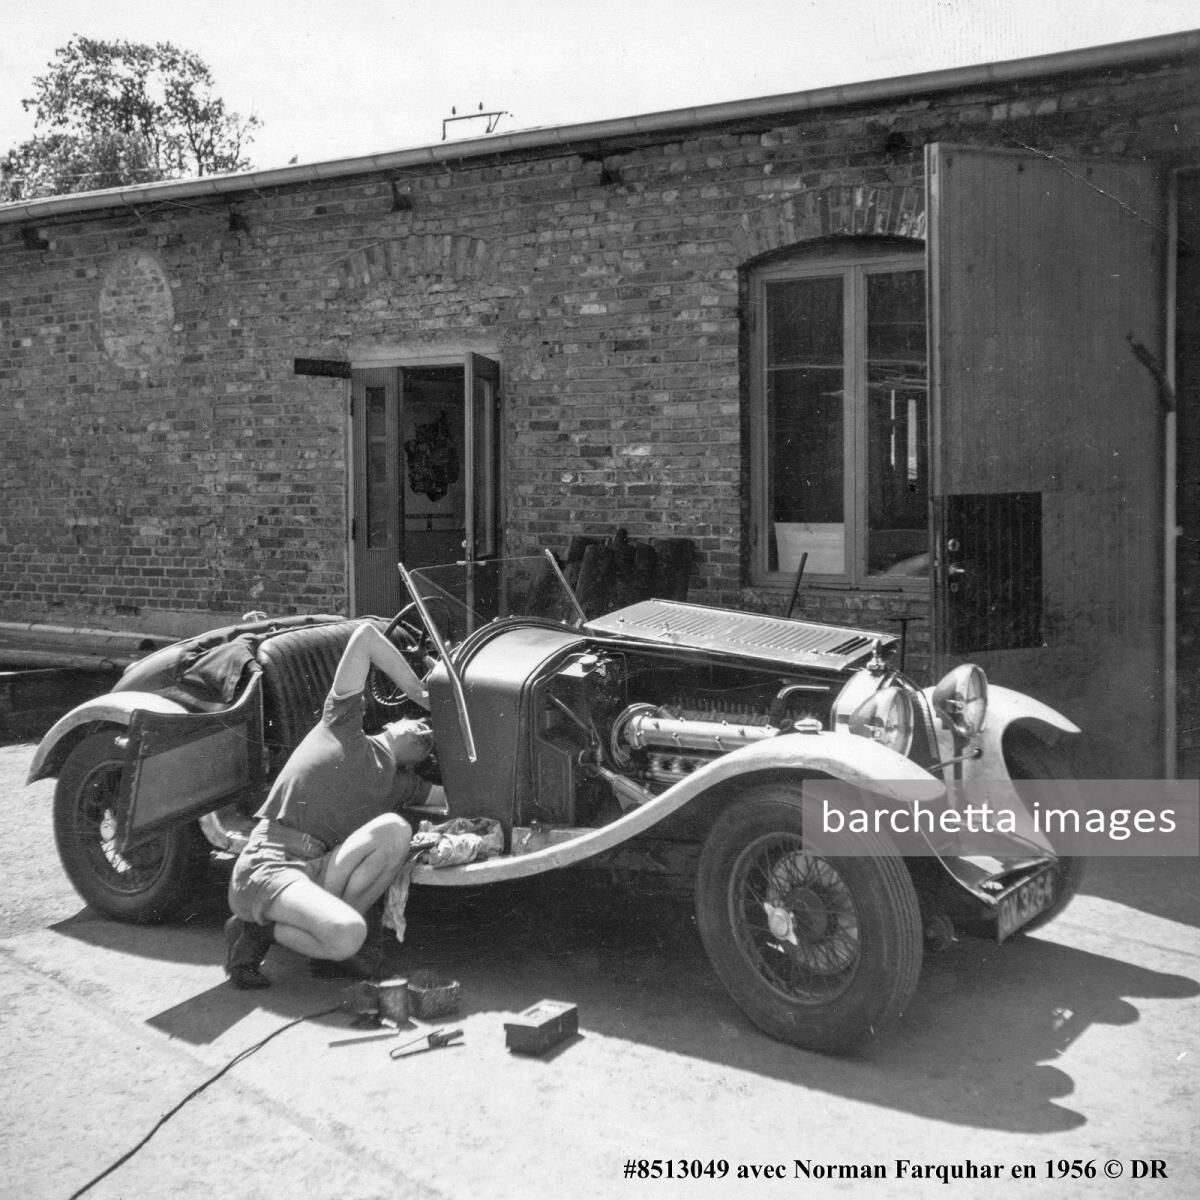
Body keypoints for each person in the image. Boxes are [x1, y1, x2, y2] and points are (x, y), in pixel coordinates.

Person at [224, 622, 437, 989]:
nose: (424, 731)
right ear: (396, 719)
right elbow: (366, 637)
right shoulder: (342, 725)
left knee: (396, 831)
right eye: (419, 723)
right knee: (350, 933)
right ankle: (259, 931)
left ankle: (329, 948)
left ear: (416, 762)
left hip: (319, 865)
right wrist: (422, 694)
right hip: (270, 861)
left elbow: (462, 797)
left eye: (430, 741)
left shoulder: (401, 785)